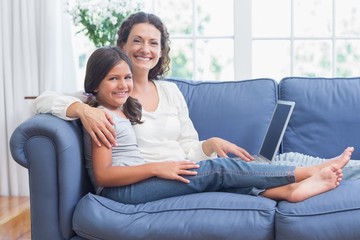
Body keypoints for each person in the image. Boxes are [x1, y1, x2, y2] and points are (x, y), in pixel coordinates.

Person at [33, 11, 360, 181]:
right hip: (155, 175)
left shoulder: (171, 91)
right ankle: (320, 173)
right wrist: (81, 109)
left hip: (188, 166)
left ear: (161, 52)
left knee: (284, 159)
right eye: (138, 41)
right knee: (252, 170)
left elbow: (190, 145)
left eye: (154, 43)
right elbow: (42, 100)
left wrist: (210, 145)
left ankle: (343, 168)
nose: (146, 49)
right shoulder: (110, 93)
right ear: (122, 45)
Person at [81, 45, 352, 205]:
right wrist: (157, 168)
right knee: (218, 169)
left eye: (126, 77)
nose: (124, 85)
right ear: (94, 84)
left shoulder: (119, 109)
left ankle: (288, 190)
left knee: (220, 175)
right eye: (113, 79)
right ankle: (306, 172)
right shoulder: (100, 116)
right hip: (121, 192)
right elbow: (104, 176)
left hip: (137, 182)